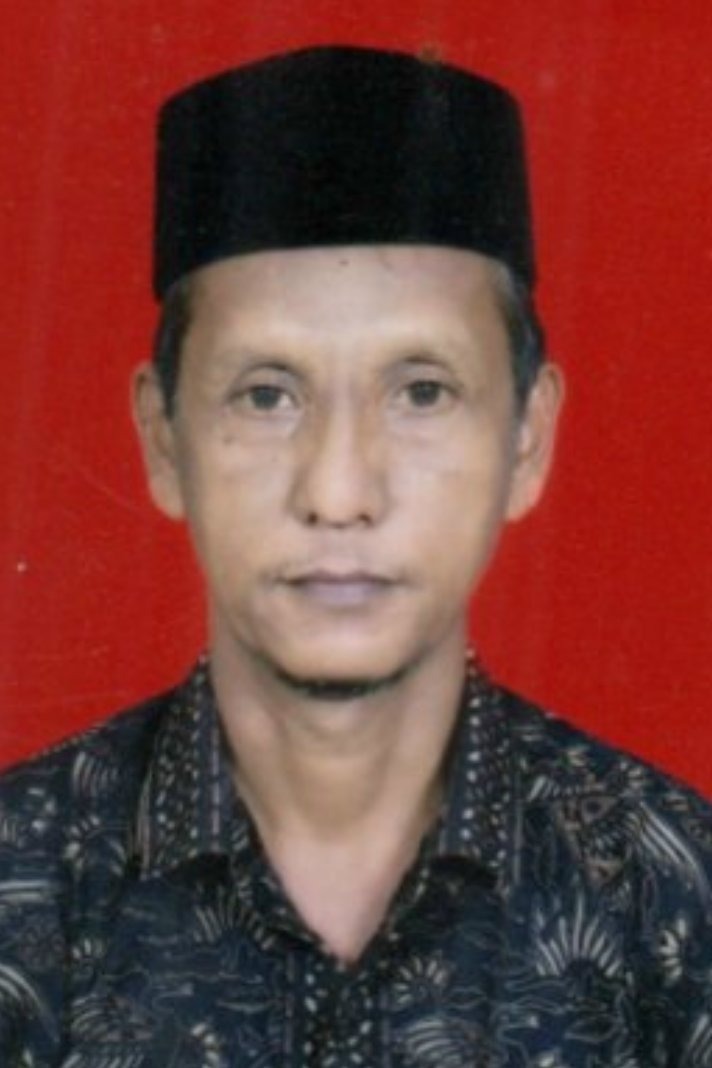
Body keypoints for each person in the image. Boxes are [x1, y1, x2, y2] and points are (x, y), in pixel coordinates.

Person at [1, 44, 711, 1068]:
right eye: (266, 395)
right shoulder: (21, 885)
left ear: (527, 439)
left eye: (421, 392)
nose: (338, 493)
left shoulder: (674, 898)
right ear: (162, 441)